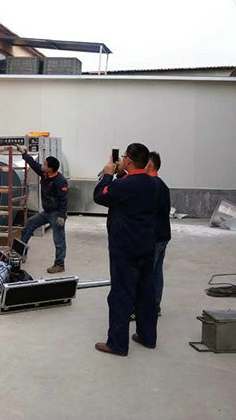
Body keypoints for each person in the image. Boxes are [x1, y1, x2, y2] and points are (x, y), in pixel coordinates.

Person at [92, 143, 160, 356]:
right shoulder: (154, 184)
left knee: (121, 295)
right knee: (145, 294)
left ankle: (117, 344)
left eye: (123, 157)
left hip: (124, 249)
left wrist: (107, 175)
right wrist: (121, 175)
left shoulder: (123, 186)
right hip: (147, 246)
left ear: (129, 160)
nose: (121, 160)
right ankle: (147, 337)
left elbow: (99, 196)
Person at [16, 145, 68, 273]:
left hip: (56, 214)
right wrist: (24, 154)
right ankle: (20, 254)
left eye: (45, 164)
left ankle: (59, 264)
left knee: (59, 240)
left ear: (50, 168)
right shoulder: (45, 174)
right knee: (29, 224)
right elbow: (34, 164)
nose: (42, 165)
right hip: (46, 212)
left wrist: (62, 216)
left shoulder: (60, 181)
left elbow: (64, 200)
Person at [147, 151, 171, 316]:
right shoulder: (162, 185)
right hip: (162, 236)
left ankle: (146, 308)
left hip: (153, 237)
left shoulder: (150, 186)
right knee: (156, 272)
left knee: (147, 274)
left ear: (149, 165)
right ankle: (155, 305)